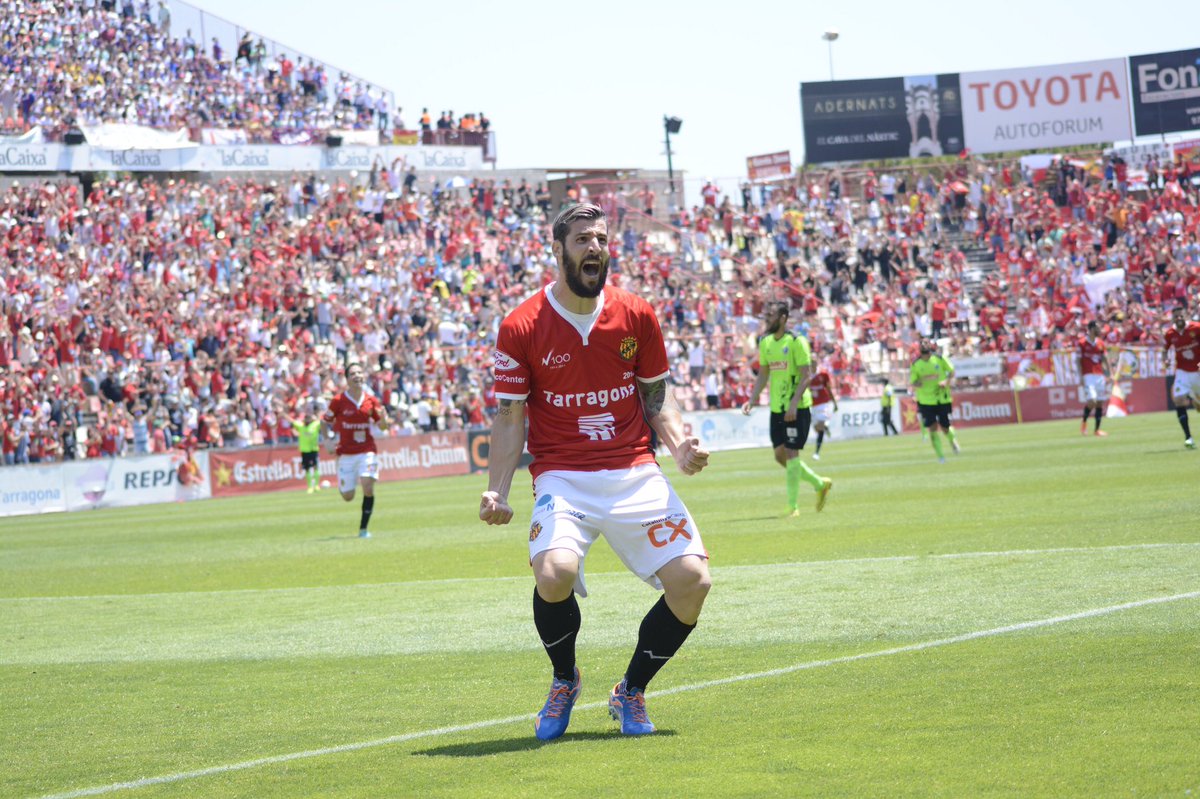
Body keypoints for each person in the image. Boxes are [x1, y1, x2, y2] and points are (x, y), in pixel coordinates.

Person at [479, 203, 712, 740]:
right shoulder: (521, 325)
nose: (595, 248)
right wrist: (497, 491)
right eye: (583, 239)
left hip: (634, 469)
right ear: (558, 249)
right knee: (554, 573)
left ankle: (630, 690)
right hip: (563, 475)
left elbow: (656, 396)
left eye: (602, 239)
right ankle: (565, 679)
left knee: (693, 582)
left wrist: (678, 445)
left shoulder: (636, 314)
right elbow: (511, 417)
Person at [741, 301, 834, 515]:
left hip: (797, 407)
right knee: (779, 455)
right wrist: (752, 399)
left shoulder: (796, 342)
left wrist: (793, 404)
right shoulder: (765, 343)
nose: (767, 319)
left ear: (783, 318)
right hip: (777, 408)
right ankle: (820, 484)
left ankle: (793, 507)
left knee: (792, 453)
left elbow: (805, 375)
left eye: (772, 315)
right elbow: (764, 373)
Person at [322, 362, 388, 538]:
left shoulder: (371, 400)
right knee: (348, 496)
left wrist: (384, 420)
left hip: (367, 450)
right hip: (346, 454)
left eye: (360, 372)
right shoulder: (338, 401)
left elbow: (382, 427)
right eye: (353, 373)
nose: (358, 375)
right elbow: (324, 421)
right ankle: (344, 482)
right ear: (347, 379)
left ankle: (363, 530)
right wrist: (327, 440)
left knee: (368, 485)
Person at [909, 339, 955, 463]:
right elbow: (913, 381)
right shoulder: (916, 364)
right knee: (933, 428)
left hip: (942, 397)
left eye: (926, 344)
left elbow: (951, 371)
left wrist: (945, 382)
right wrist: (921, 382)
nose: (924, 346)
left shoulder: (939, 359)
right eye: (922, 344)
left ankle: (952, 440)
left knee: (945, 426)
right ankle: (941, 456)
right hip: (926, 400)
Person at [1162, 305, 1200, 449]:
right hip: (1182, 372)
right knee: (1178, 400)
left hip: (1198, 371)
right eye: (1176, 316)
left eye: (1181, 315)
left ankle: (1196, 400)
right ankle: (1188, 437)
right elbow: (1165, 350)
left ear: (1186, 315)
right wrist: (1165, 360)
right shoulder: (1170, 333)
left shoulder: (1196, 328)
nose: (1178, 318)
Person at [1078, 320, 1110, 437]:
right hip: (1088, 375)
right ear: (1091, 329)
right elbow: (1078, 361)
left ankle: (1097, 430)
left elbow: (1105, 359)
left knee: (1100, 403)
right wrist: (1080, 376)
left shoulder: (1101, 343)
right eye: (1097, 328)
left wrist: (1109, 374)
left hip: (1100, 375)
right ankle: (1084, 422)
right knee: (1092, 401)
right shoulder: (1081, 343)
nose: (1099, 330)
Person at [285, 405, 324, 493]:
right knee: (307, 468)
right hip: (304, 450)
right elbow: (291, 420)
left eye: (309, 419)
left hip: (314, 449)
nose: (307, 420)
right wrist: (283, 413)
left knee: (315, 467)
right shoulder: (300, 426)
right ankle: (310, 486)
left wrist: (320, 412)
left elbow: (322, 419)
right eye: (306, 419)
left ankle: (317, 485)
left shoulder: (315, 425)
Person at [808, 365, 838, 460]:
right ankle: (825, 426)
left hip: (823, 404)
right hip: (812, 405)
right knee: (817, 429)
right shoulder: (805, 375)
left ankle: (816, 453)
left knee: (820, 428)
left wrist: (834, 403)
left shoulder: (823, 374)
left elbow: (828, 388)